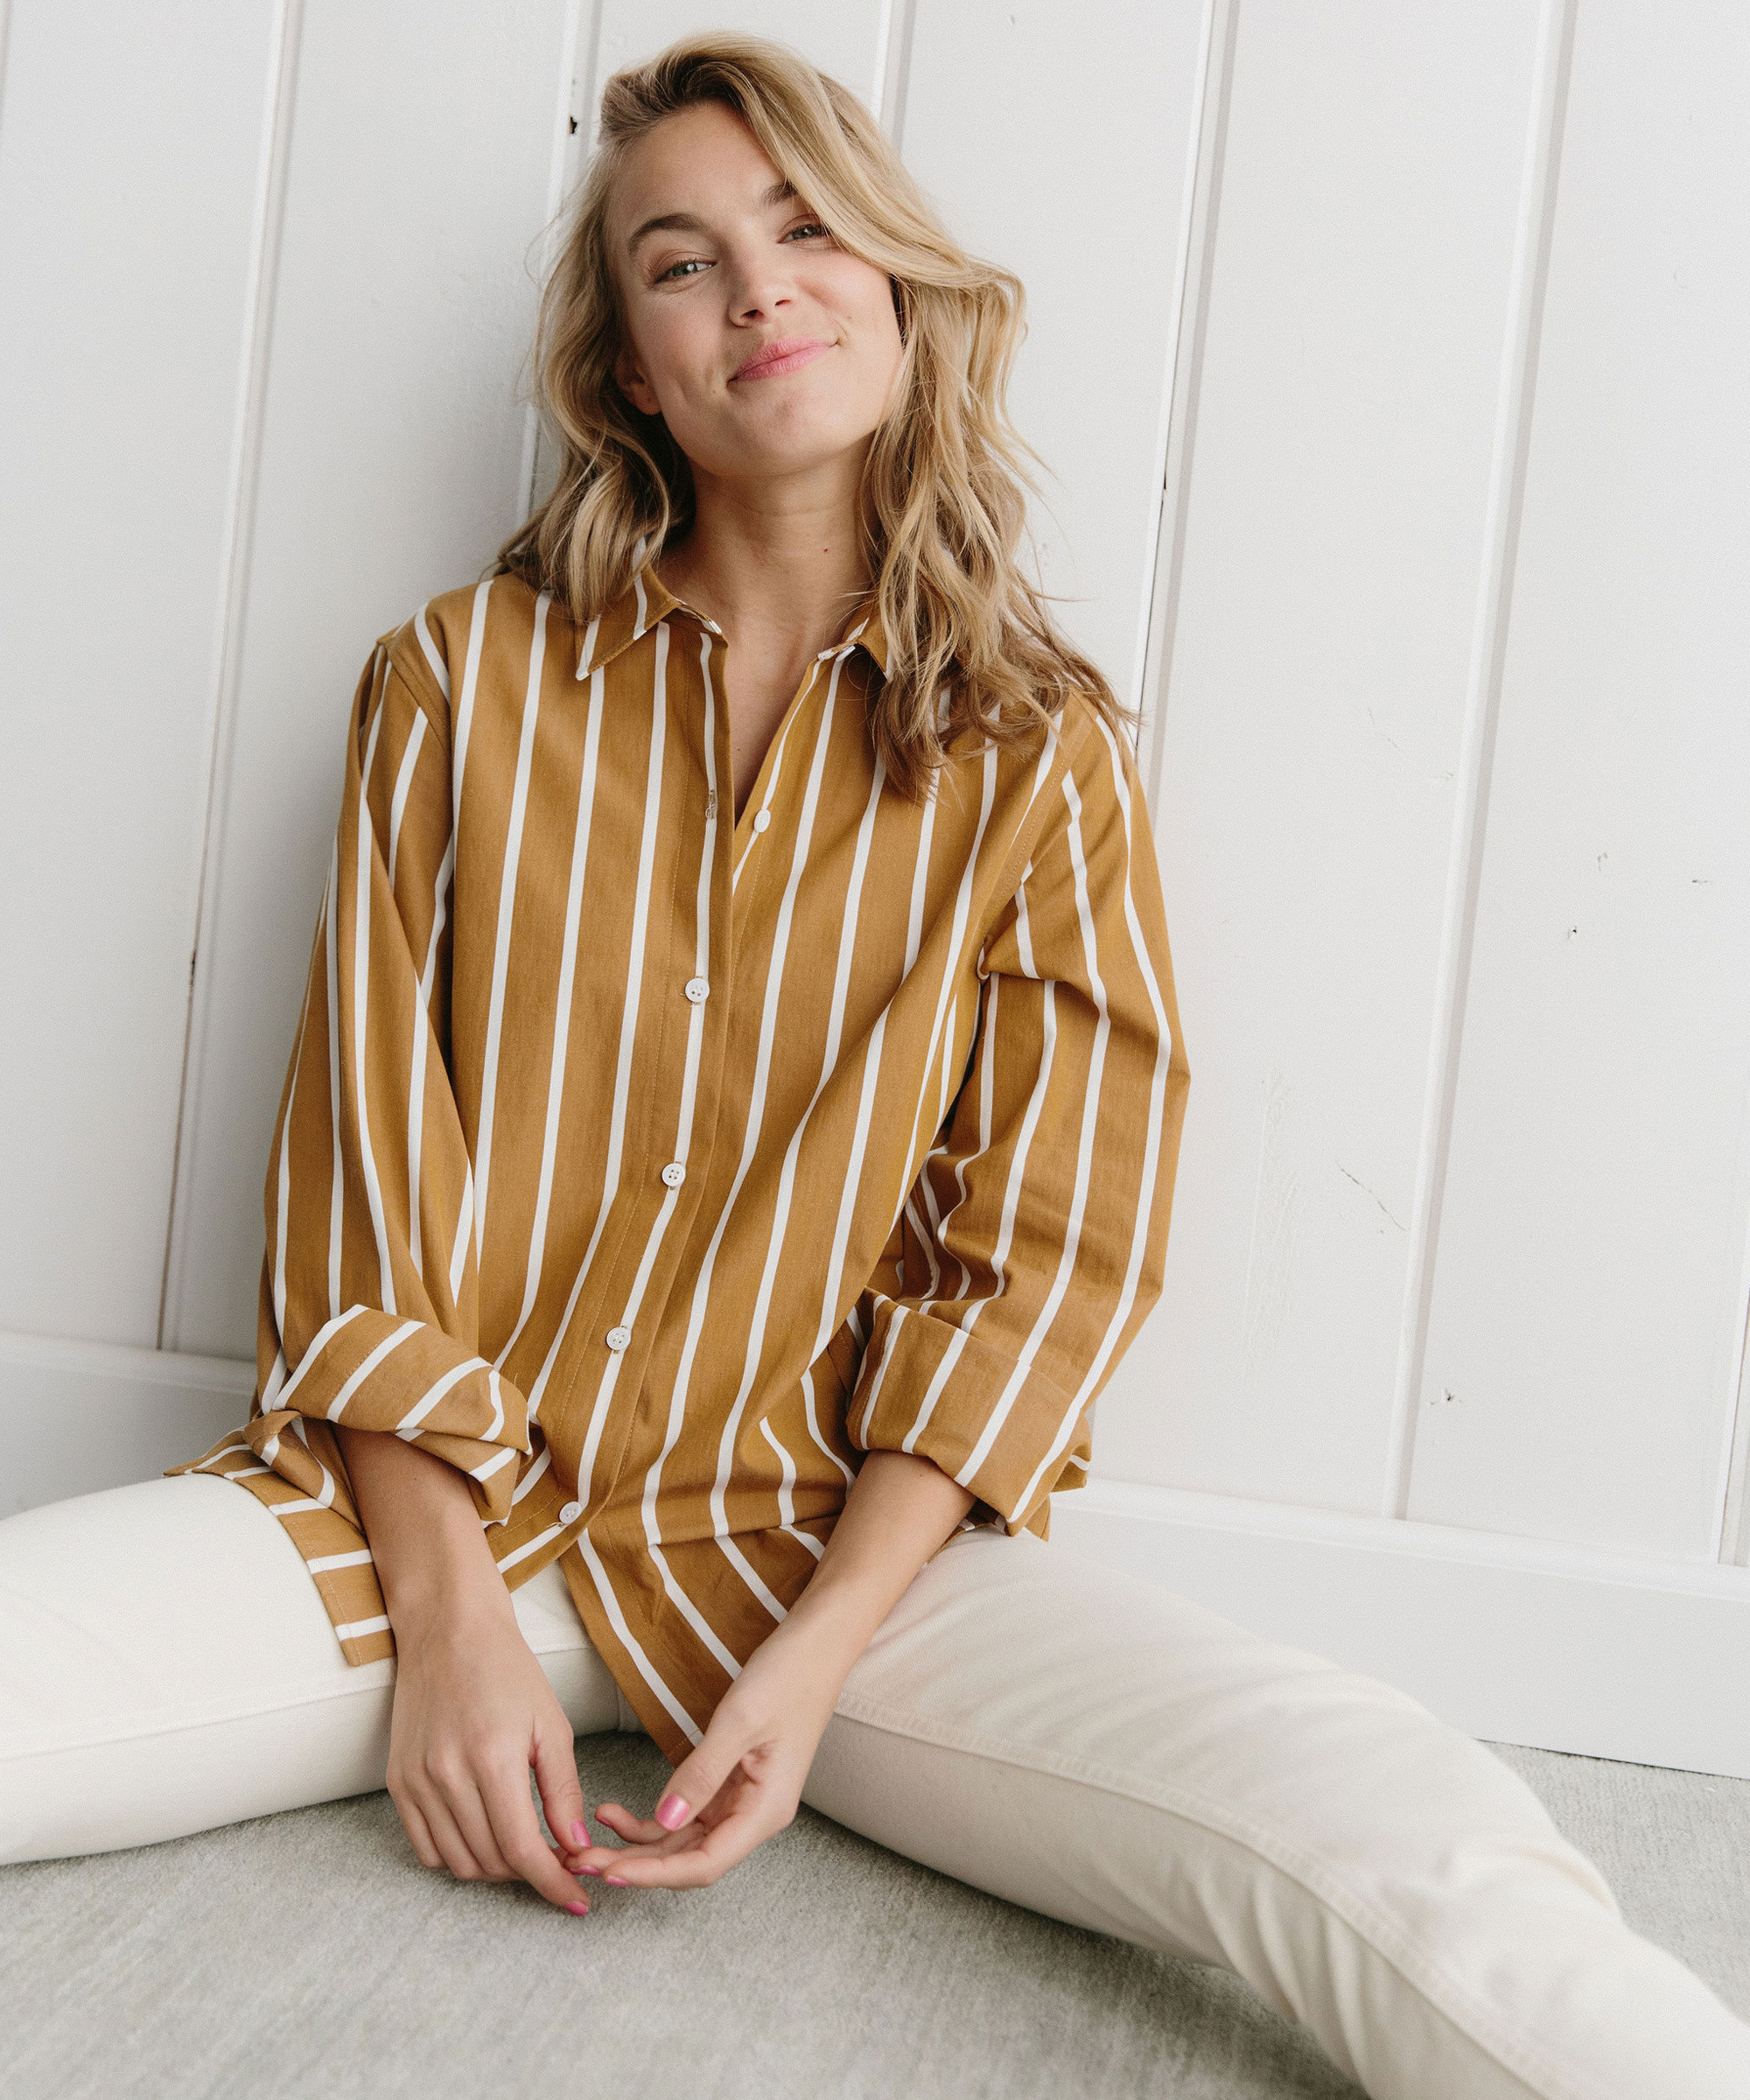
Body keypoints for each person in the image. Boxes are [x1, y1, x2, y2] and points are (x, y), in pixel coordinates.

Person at [2, 32, 1744, 2100]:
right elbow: (362, 1186)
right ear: (631, 372)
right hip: (418, 1529)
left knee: (1398, 1826)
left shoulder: (1039, 758)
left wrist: (813, 1669)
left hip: (822, 1552)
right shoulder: (453, 687)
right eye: (681, 260)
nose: (760, 287)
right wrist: (452, 1624)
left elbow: (1048, 1258)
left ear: (900, 291)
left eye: (808, 227)